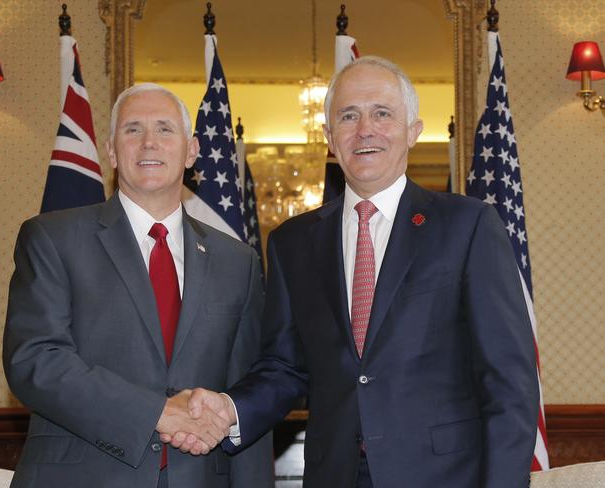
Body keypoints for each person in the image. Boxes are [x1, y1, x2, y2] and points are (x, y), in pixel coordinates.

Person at [182, 56, 539, 488]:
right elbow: (284, 366)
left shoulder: (468, 226)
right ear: (330, 137)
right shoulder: (293, 242)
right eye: (349, 116)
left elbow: (507, 381)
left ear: (413, 131)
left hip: (446, 476)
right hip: (335, 473)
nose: (365, 129)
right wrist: (229, 410)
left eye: (382, 114)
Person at [3, 83, 273, 488]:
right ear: (111, 151)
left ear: (191, 150)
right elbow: (36, 361)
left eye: (165, 129)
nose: (149, 143)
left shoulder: (239, 262)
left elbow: (247, 391)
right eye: (132, 130)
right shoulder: (52, 239)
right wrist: (157, 413)